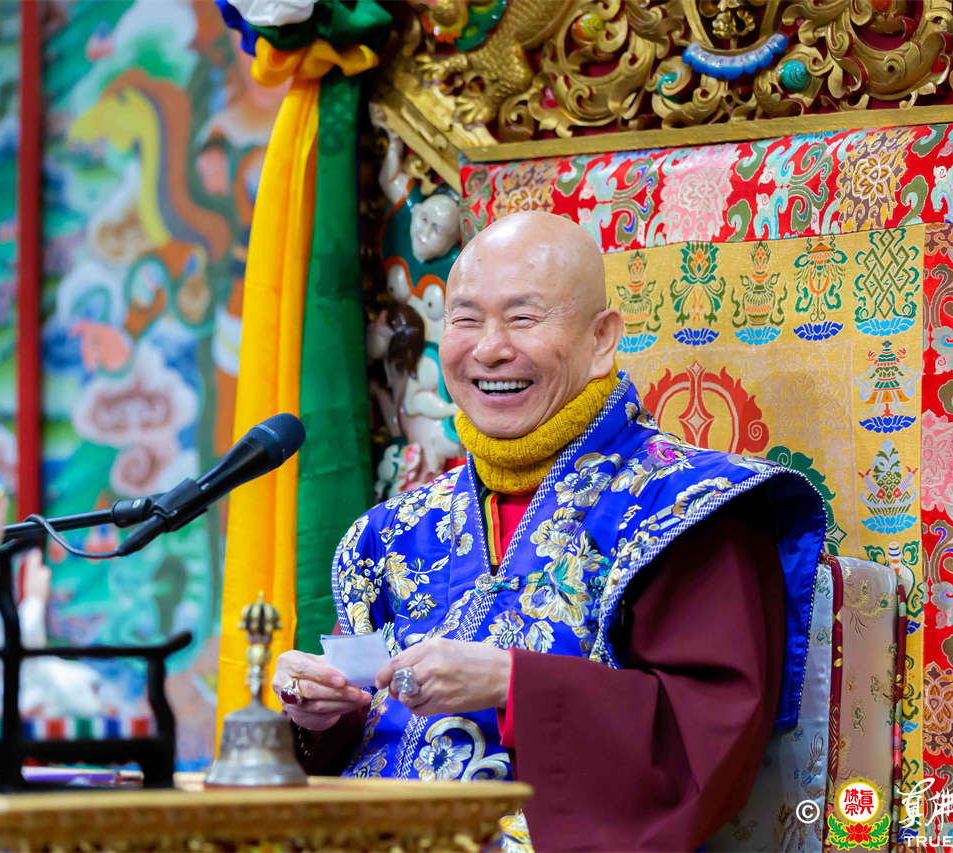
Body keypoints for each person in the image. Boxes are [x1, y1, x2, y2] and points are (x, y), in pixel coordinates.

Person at [270, 212, 824, 851]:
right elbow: (363, 741)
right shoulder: (393, 531)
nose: (489, 349)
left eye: (523, 318)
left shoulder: (686, 511)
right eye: (466, 319)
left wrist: (514, 685)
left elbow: (705, 744)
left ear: (602, 338)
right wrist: (322, 716)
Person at [0, 457, 106, 718]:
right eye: (2, 513)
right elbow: (15, 642)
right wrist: (35, 598)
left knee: (82, 680)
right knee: (89, 692)